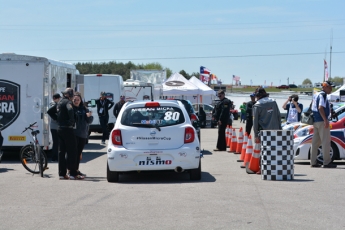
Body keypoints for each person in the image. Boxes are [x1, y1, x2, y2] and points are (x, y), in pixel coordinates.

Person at [57, 88, 84, 180]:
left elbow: (51, 111)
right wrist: (71, 121)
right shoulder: (68, 103)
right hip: (68, 129)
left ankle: (62, 174)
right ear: (69, 95)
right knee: (73, 151)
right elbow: (70, 110)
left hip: (60, 129)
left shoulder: (60, 102)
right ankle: (73, 174)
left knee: (61, 152)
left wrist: (59, 120)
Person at [310, 81, 336, 168]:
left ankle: (313, 162)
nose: (331, 89)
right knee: (325, 142)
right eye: (330, 87)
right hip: (321, 121)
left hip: (316, 121)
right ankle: (327, 162)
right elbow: (320, 107)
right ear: (325, 87)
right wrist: (325, 120)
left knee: (315, 143)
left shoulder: (316, 94)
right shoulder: (323, 95)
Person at [72, 92, 94, 177]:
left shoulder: (84, 108)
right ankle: (71, 170)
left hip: (83, 133)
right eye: (75, 99)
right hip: (74, 134)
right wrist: (84, 115)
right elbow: (75, 118)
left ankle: (76, 169)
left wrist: (88, 116)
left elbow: (89, 121)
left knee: (79, 153)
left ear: (81, 100)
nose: (76, 101)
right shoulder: (71, 108)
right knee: (73, 153)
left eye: (78, 99)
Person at [47, 93, 61, 162]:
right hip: (55, 126)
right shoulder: (55, 104)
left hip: (53, 126)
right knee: (56, 142)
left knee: (56, 142)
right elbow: (49, 112)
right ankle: (55, 157)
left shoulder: (53, 104)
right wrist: (56, 118)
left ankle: (55, 157)